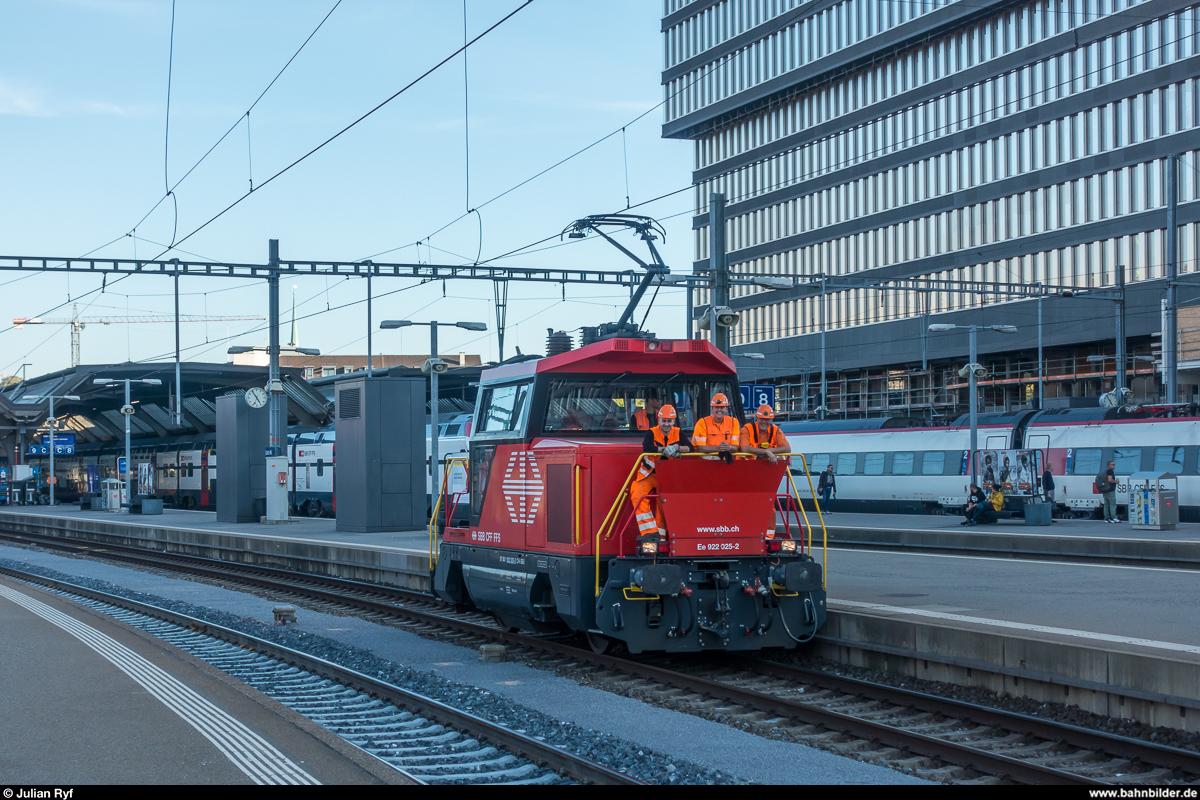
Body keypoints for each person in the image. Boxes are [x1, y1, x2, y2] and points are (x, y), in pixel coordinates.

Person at [630, 404, 691, 544]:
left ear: (673, 421)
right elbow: (647, 447)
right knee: (637, 494)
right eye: (664, 420)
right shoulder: (651, 432)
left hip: (668, 477)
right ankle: (650, 534)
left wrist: (677, 448)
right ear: (659, 420)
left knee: (664, 506)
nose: (666, 424)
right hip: (649, 475)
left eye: (669, 421)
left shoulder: (678, 432)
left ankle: (661, 540)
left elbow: (690, 447)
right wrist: (664, 450)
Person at [692, 393, 741, 463]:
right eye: (716, 407)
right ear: (712, 408)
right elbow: (701, 448)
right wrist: (719, 448)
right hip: (707, 462)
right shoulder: (702, 423)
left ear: (726, 408)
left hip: (727, 462)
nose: (719, 410)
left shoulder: (734, 422)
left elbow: (735, 447)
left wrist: (729, 448)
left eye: (722, 407)